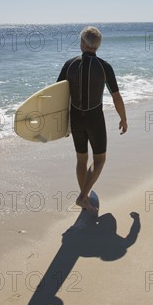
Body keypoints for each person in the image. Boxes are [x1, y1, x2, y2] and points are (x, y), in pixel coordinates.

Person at [57, 26, 127, 214]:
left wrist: (60, 125)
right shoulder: (105, 67)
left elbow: (57, 96)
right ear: (98, 46)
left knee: (81, 159)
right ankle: (83, 196)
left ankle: (85, 198)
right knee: (100, 159)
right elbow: (116, 97)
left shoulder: (69, 64)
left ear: (81, 43)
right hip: (95, 119)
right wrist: (123, 119)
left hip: (75, 118)